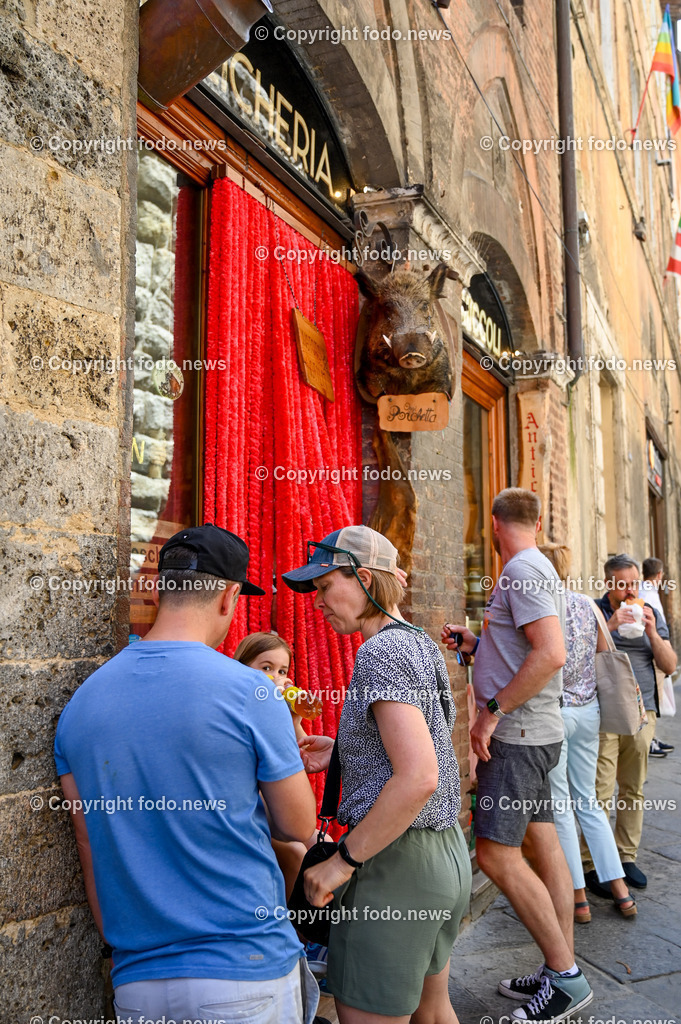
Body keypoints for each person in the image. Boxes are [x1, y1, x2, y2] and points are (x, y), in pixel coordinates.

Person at [54, 524, 319, 1024]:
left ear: (157, 590)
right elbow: (296, 826)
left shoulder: (82, 704)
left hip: (138, 980)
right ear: (228, 598)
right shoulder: (253, 693)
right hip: (245, 967)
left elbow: (87, 841)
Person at [282, 525, 471, 1024]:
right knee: (433, 1011)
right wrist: (345, 749)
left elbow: (418, 776)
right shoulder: (415, 642)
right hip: (444, 853)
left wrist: (340, 863)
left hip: (396, 861)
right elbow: (417, 746)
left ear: (364, 578)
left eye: (325, 587)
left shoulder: (380, 652)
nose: (317, 602)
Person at [443, 488, 593, 1024]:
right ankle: (561, 966)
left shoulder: (523, 571)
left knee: (495, 856)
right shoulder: (535, 566)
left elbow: (551, 653)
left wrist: (491, 712)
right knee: (541, 841)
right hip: (538, 733)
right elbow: (524, 646)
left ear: (493, 522)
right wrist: (477, 642)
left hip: (521, 735)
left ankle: (565, 978)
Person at [538, 544, 636, 922]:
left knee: (561, 806)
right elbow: (600, 655)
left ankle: (578, 898)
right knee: (590, 802)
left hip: (556, 712)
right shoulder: (589, 605)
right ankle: (621, 892)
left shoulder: (542, 608)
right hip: (589, 710)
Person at [584, 553, 677, 892]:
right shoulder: (593, 611)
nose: (628, 591)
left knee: (633, 787)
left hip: (641, 710)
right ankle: (591, 863)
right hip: (603, 709)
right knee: (599, 789)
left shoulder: (651, 612)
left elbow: (669, 665)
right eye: (621, 584)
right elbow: (578, 654)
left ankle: (625, 857)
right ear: (608, 584)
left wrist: (652, 631)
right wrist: (608, 625)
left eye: (633, 584)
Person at [235, 631, 314, 898]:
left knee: (323, 843)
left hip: (274, 814)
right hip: (245, 818)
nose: (276, 678)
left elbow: (303, 758)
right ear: (242, 668)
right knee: (296, 853)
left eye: (282, 670)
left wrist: (293, 721)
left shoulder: (278, 710)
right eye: (266, 668)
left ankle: (321, 930)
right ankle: (300, 934)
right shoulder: (238, 708)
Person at [639, 557, 674, 758]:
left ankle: (651, 738)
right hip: (653, 654)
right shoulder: (649, 596)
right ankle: (649, 740)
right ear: (659, 574)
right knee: (653, 701)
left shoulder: (647, 592)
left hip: (655, 651)